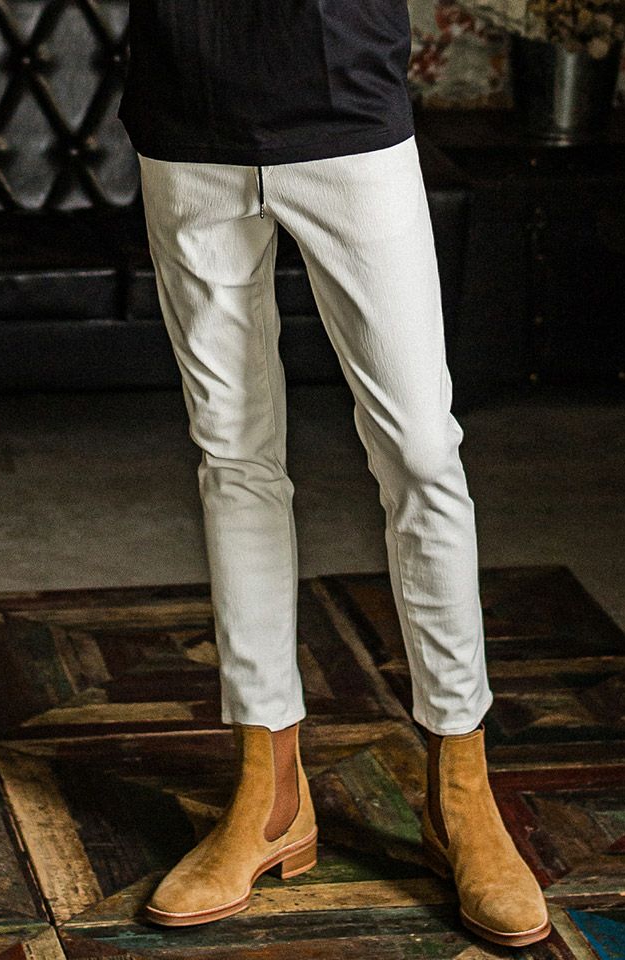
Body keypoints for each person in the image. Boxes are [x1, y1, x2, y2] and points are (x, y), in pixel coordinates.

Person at [116, 0, 550, 947]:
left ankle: (461, 792)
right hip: (185, 113)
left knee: (422, 453)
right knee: (233, 455)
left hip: (346, 103)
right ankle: (268, 795)